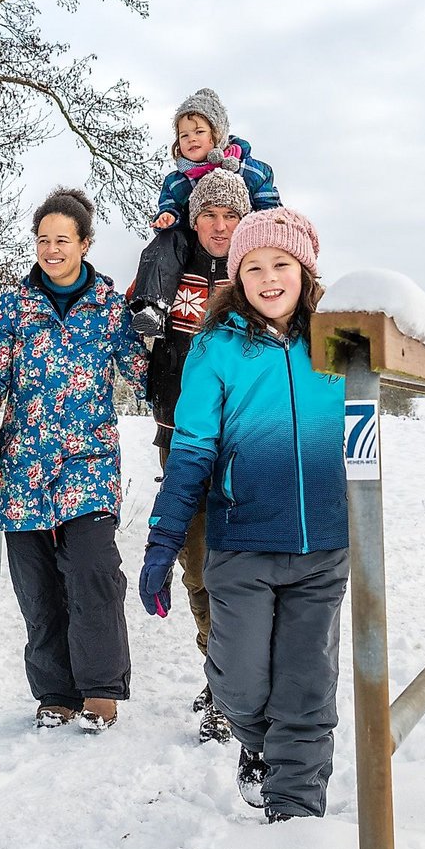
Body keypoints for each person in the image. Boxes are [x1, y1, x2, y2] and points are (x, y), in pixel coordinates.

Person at [137, 207, 350, 822]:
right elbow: (191, 452)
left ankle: (295, 813)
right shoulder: (215, 349)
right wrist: (162, 543)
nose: (268, 277)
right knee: (239, 686)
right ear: (237, 278)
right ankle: (258, 745)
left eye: (281, 264)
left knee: (307, 689)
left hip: (321, 548)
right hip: (241, 546)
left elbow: (413, 342)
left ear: (305, 272)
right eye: (252, 267)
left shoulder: (340, 339)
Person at [0, 188, 148, 732]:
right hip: (25, 465)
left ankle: (101, 689)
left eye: (62, 239)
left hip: (87, 462)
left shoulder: (110, 307)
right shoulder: (15, 305)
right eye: (43, 239)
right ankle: (55, 692)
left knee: (92, 572)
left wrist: (153, 342)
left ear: (84, 244)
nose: (51, 249)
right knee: (36, 585)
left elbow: (138, 375)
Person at [135, 167, 249, 744]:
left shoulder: (261, 273)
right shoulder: (173, 266)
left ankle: (239, 684)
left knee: (244, 567)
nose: (220, 226)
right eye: (209, 214)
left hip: (247, 440)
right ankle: (218, 673)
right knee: (197, 563)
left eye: (231, 215)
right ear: (193, 217)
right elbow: (131, 325)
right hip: (179, 432)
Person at [132, 89, 280, 341]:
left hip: (244, 238)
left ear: (217, 135)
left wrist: (269, 224)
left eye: (199, 132)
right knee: (167, 241)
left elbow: (268, 201)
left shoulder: (249, 168)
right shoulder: (178, 179)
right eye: (184, 135)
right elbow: (169, 204)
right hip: (193, 242)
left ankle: (264, 316)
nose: (191, 139)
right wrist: (168, 216)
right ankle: (153, 306)